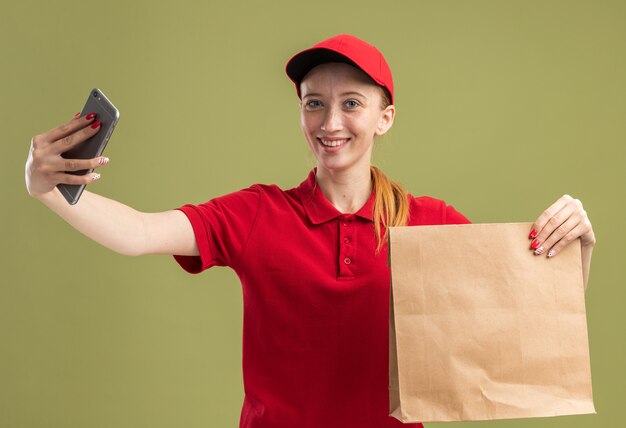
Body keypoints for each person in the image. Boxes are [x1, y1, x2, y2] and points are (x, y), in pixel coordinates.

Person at [25, 34, 595, 428]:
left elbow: (528, 323)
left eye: (352, 103)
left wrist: (578, 249)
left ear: (384, 116)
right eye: (314, 104)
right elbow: (138, 233)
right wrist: (47, 187)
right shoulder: (256, 214)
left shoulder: (427, 221)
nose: (330, 123)